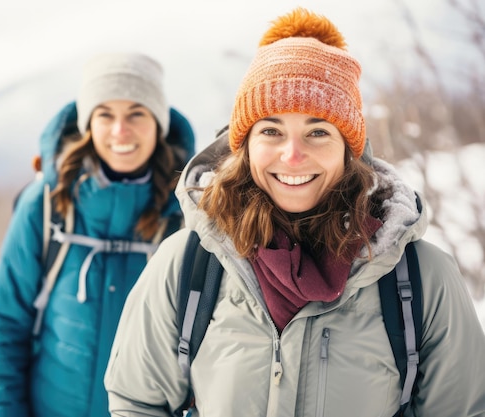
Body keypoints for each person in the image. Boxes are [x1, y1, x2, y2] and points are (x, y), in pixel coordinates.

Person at [104, 8, 485, 417]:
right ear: (245, 146)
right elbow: (137, 403)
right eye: (271, 130)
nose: (293, 154)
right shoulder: (186, 267)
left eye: (318, 131)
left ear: (349, 147)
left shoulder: (421, 278)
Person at [0, 52, 195, 417]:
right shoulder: (46, 205)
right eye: (105, 114)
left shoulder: (186, 217)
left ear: (158, 123)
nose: (120, 130)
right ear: (88, 123)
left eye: (136, 113)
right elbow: (6, 325)